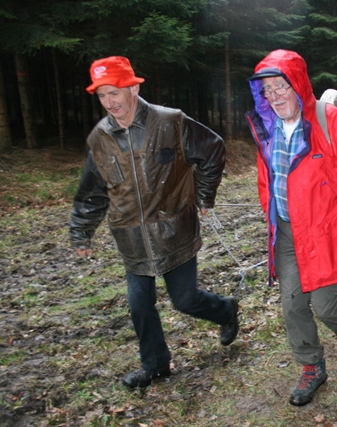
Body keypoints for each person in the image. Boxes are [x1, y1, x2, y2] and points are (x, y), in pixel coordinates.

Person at [69, 56, 239, 389]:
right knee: (139, 305)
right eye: (102, 95)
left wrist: (204, 197)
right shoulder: (99, 139)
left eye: (115, 92)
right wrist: (81, 233)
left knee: (185, 300)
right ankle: (156, 364)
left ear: (133, 87)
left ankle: (226, 310)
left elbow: (213, 150)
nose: (110, 102)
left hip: (174, 230)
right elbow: (93, 191)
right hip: (130, 237)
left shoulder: (170, 122)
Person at [244, 50, 337, 407]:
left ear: (299, 85)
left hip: (330, 232)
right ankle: (311, 366)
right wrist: (273, 222)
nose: (274, 96)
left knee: (325, 305)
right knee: (292, 305)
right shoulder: (267, 126)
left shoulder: (329, 121)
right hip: (289, 233)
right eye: (267, 90)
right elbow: (267, 181)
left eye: (280, 86)